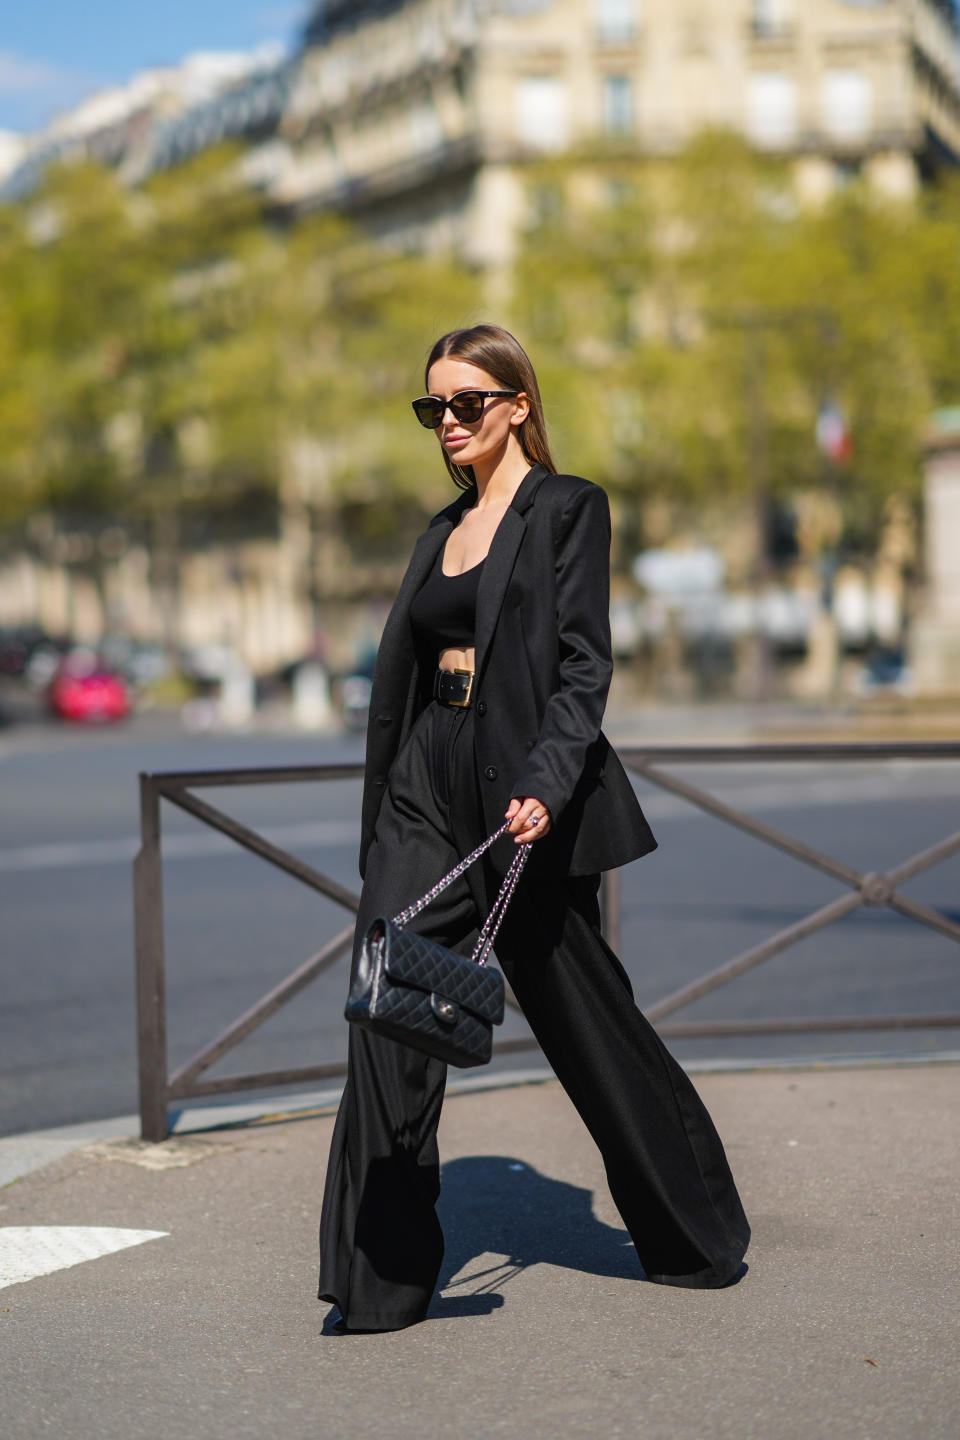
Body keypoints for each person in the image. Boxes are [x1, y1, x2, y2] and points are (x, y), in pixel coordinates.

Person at [319, 324, 750, 1332]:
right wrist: (388, 805)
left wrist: (551, 781)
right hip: (429, 780)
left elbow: (582, 668)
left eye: (468, 403)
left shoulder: (567, 509)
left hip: (521, 788)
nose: (449, 424)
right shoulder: (439, 529)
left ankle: (693, 1230)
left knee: (584, 1017)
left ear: (518, 403)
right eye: (434, 408)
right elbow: (412, 675)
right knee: (385, 1007)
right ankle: (380, 1281)